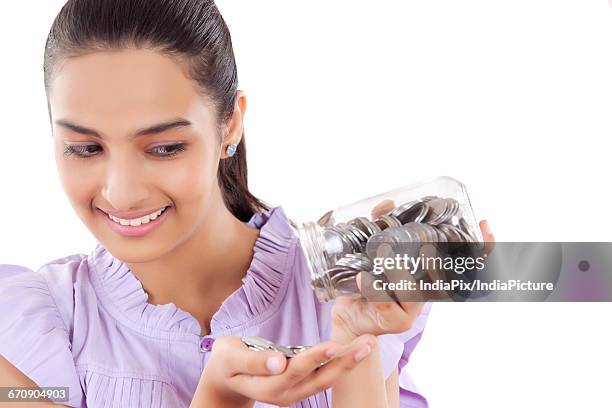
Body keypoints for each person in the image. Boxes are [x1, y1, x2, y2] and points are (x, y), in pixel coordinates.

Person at [0, 0, 495, 407]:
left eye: (165, 147)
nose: (121, 191)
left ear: (229, 124)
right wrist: (218, 395)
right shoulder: (29, 333)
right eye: (86, 148)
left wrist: (356, 342)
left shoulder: (340, 284)